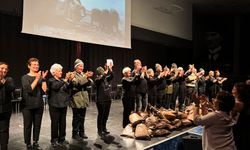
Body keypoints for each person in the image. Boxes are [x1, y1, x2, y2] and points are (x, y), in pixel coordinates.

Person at [21, 58, 48, 150]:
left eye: (37, 64)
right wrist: (37, 79)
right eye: (34, 64)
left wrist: (43, 79)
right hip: (27, 106)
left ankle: (35, 142)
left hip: (38, 105)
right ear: (29, 66)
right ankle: (28, 143)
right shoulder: (24, 77)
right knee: (28, 125)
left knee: (37, 125)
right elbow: (29, 89)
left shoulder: (40, 77)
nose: (36, 66)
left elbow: (45, 90)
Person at [47, 63, 74, 147]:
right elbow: (55, 87)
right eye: (59, 71)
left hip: (63, 104)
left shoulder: (62, 80)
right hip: (54, 105)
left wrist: (71, 80)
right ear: (53, 72)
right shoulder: (51, 81)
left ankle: (62, 138)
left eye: (61, 70)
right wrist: (65, 79)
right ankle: (54, 140)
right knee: (55, 123)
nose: (61, 72)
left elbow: (68, 88)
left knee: (63, 123)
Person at [70, 59, 93, 140]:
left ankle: (82, 132)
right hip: (76, 99)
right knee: (76, 118)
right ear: (76, 67)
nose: (82, 68)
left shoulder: (83, 74)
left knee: (82, 117)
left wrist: (88, 77)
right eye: (80, 66)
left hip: (83, 98)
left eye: (82, 66)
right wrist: (85, 77)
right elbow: (76, 83)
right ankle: (75, 133)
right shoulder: (73, 74)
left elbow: (90, 83)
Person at [94, 63, 113, 137]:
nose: (103, 74)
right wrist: (106, 70)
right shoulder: (97, 80)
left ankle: (104, 128)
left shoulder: (105, 79)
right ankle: (99, 130)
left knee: (106, 115)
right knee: (101, 115)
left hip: (108, 99)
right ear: (99, 73)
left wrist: (110, 69)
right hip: (101, 100)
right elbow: (101, 78)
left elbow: (112, 76)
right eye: (102, 73)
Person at [0, 62, 15, 150]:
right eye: (2, 68)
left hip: (5, 110)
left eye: (6, 69)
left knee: (4, 130)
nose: (4, 70)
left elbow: (12, 88)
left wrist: (3, 80)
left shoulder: (9, 79)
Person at [231, 82, 250, 150]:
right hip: (240, 127)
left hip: (240, 129)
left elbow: (227, 115)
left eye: (234, 89)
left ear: (239, 91)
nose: (232, 90)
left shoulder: (238, 103)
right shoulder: (239, 101)